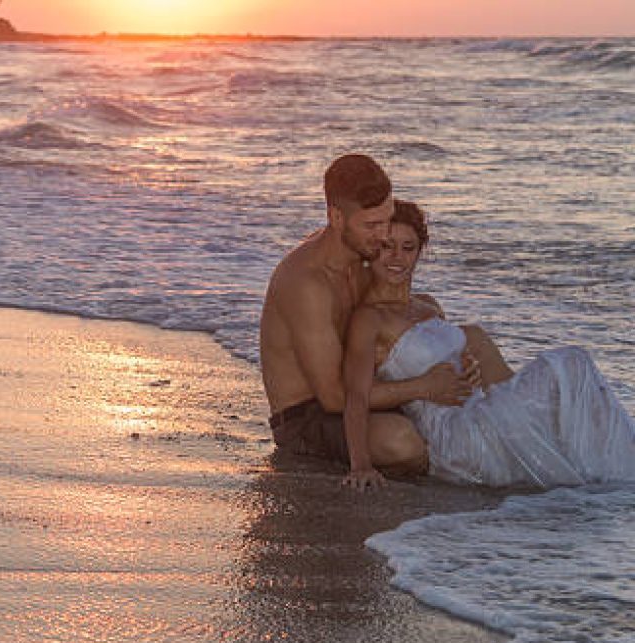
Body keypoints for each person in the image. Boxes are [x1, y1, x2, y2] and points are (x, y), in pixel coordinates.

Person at [343, 199, 635, 490]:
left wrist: (467, 366)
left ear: (420, 253)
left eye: (408, 248)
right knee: (572, 364)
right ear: (371, 248)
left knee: (573, 381)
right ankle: (620, 478)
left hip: (482, 408)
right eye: (387, 246)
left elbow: (453, 361)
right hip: (455, 437)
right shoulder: (369, 318)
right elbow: (356, 396)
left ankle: (614, 479)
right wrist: (361, 465)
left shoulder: (428, 305)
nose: (397, 257)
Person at [260, 154, 479, 475]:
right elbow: (334, 398)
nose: (383, 235)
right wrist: (425, 386)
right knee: (404, 442)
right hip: (309, 418)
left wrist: (449, 355)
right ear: (336, 218)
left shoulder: (363, 258)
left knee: (471, 404)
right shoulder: (308, 284)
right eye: (372, 225)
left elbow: (398, 312)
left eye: (386, 219)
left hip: (367, 391)